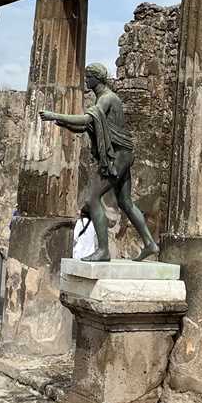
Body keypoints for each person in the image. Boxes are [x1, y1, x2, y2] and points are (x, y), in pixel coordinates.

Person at [39, 62, 159, 262]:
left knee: (93, 198)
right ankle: (149, 243)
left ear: (96, 78)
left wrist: (55, 115)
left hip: (117, 155)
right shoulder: (104, 100)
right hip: (123, 153)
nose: (86, 80)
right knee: (125, 202)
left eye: (88, 77)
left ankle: (103, 250)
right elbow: (88, 127)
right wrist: (64, 123)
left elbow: (86, 121)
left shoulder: (107, 99)